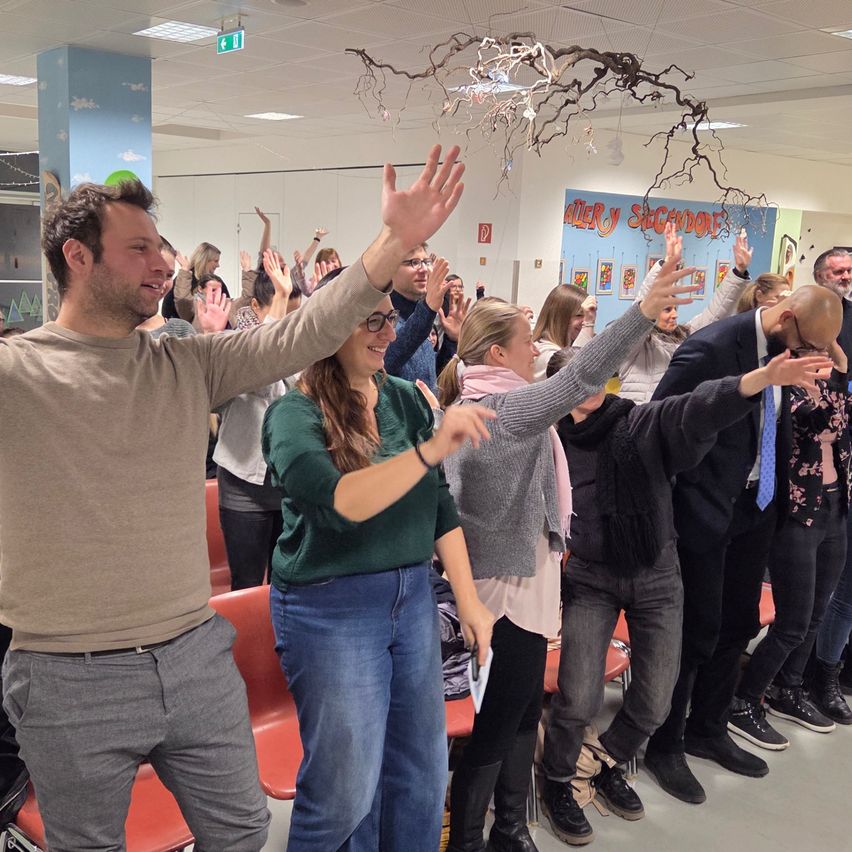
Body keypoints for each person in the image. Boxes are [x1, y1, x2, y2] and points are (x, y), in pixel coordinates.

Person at [0, 143, 468, 850]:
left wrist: (395, 243)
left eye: (162, 247)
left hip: (192, 655)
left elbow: (306, 330)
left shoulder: (186, 362)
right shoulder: (18, 374)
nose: (163, 263)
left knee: (243, 830)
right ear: (77, 257)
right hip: (69, 673)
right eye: (139, 249)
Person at [436, 256, 698, 852]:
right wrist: (641, 312)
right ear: (498, 355)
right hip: (503, 591)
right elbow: (581, 380)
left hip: (523, 580)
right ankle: (472, 841)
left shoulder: (485, 400)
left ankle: (507, 827)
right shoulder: (503, 411)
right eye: (528, 341)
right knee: (501, 722)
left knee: (524, 713)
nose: (537, 349)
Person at [540, 344, 832, 845]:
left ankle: (606, 760)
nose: (588, 389)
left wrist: (758, 379)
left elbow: (694, 408)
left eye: (595, 378)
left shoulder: (635, 424)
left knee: (654, 700)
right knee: (578, 699)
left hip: (655, 575)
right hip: (591, 577)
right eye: (575, 381)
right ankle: (559, 781)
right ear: (558, 389)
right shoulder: (549, 441)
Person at [262, 285, 495, 852]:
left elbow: (439, 505)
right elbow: (342, 502)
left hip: (411, 596)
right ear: (327, 327)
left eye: (390, 320)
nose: (389, 334)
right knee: (345, 791)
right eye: (371, 321)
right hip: (329, 607)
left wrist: (468, 599)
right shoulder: (292, 414)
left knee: (420, 770)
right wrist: (431, 448)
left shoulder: (404, 399)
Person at [643, 285, 843, 806]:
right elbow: (660, 424)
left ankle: (708, 727)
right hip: (705, 512)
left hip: (757, 506)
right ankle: (665, 745)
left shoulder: (788, 345)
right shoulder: (710, 348)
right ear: (787, 318)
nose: (805, 359)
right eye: (804, 347)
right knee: (697, 633)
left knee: (739, 624)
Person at [729, 340, 850, 748]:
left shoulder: (828, 385)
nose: (825, 358)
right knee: (793, 622)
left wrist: (837, 380)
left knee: (817, 612)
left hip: (835, 505)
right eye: (817, 350)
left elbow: (844, 422)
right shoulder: (789, 390)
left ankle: (788, 689)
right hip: (799, 512)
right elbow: (824, 424)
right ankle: (743, 702)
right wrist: (842, 375)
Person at [619, 225, 752, 404]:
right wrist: (666, 264)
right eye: (667, 309)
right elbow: (640, 307)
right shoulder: (637, 345)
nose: (674, 315)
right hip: (637, 423)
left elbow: (716, 313)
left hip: (670, 421)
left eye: (675, 309)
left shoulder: (686, 336)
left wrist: (738, 272)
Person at [387, 246, 466, 391]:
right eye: (413, 262)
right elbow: (389, 360)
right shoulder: (383, 317)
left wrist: (451, 339)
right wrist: (427, 308)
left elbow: (434, 376)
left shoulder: (423, 316)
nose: (423, 269)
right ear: (391, 269)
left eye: (426, 262)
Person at [531, 285, 596, 381]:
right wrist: (588, 324)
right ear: (559, 318)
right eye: (579, 315)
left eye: (586, 316)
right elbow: (576, 374)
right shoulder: (546, 354)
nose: (583, 321)